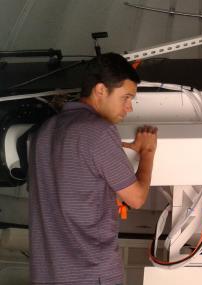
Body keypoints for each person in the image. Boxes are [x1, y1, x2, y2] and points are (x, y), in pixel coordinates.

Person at [28, 53, 157, 285]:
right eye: (125, 97)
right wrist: (147, 152)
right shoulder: (98, 131)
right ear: (100, 90)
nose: (129, 108)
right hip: (91, 273)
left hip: (47, 274)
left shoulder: (44, 132)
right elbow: (136, 198)